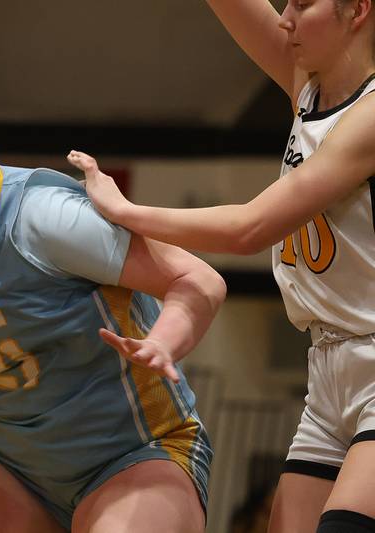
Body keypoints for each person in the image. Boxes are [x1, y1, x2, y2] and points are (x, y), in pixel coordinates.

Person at [0, 53, 227, 532]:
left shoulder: (42, 217)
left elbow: (200, 281)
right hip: (15, 466)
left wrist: (164, 342)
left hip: (136, 451)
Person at [67, 1, 375, 531]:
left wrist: (125, 211)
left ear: (359, 11)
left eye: (303, 3)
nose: (286, 18)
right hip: (327, 365)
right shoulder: (309, 86)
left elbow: (249, 228)